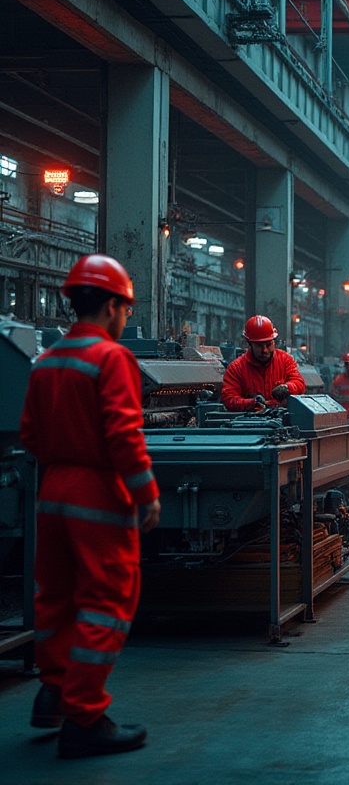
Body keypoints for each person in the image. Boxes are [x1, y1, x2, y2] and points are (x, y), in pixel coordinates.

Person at [19, 254, 160, 758]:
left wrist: (64, 461)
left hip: (51, 492)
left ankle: (53, 691)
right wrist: (146, 493)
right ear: (113, 305)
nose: (126, 319)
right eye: (125, 309)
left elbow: (29, 434)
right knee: (105, 601)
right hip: (98, 494)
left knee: (55, 597)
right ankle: (85, 716)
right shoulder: (111, 358)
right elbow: (124, 434)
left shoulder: (48, 359)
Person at [220, 315, 306, 411]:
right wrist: (252, 403)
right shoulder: (236, 368)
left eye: (268, 344)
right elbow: (229, 399)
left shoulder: (285, 360)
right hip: (250, 422)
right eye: (259, 345)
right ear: (249, 344)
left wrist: (287, 388)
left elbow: (299, 384)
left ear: (274, 342)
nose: (264, 350)